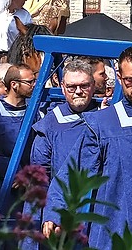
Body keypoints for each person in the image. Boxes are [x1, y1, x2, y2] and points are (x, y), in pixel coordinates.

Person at [63, 47, 132, 248]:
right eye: (129, 80)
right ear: (119, 77)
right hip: (113, 226)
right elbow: (74, 171)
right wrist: (56, 209)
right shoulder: (101, 124)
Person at [35, 58, 98, 237]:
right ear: (63, 87)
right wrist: (51, 213)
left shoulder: (105, 118)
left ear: (93, 86)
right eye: (71, 87)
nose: (78, 91)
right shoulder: (50, 124)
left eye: (84, 86)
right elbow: (41, 173)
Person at [0, 64, 35, 248]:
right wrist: (14, 173)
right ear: (14, 85)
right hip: (0, 186)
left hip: (29, 187)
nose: (34, 85)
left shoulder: (36, 112)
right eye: (29, 82)